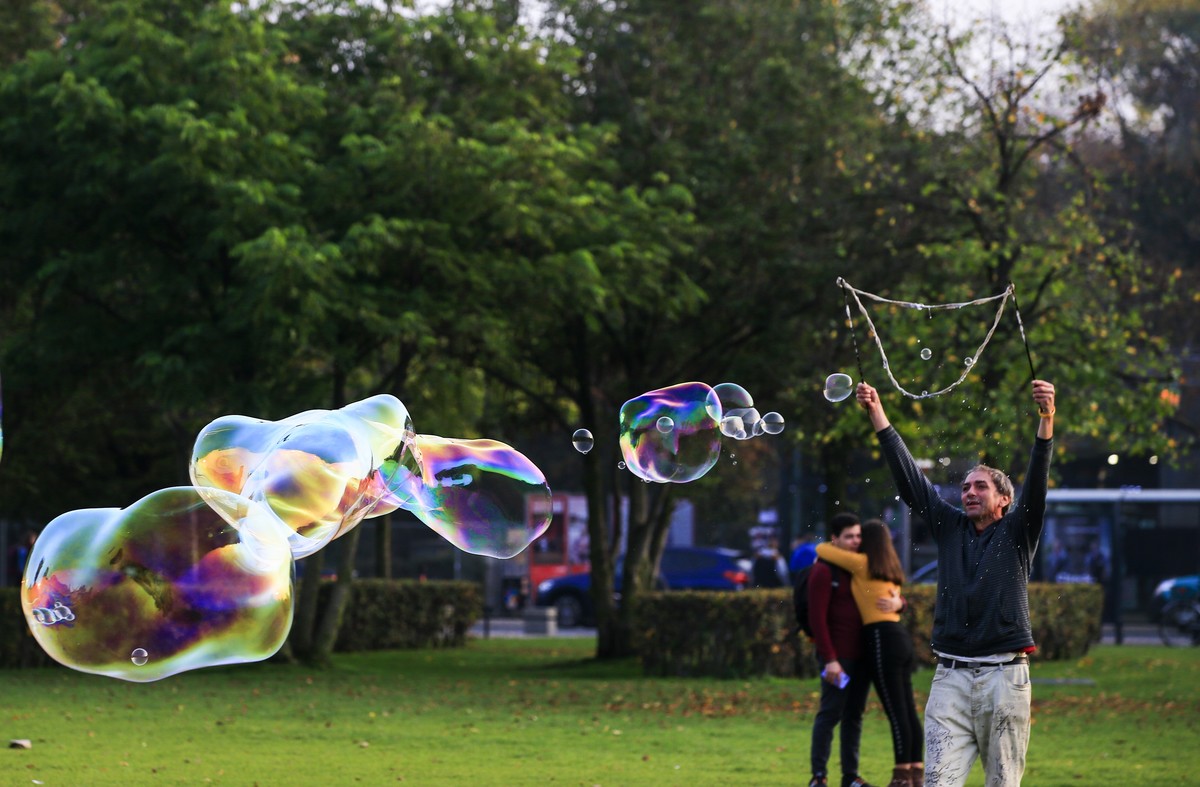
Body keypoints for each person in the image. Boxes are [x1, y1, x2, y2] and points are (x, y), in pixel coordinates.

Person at [856, 379, 1056, 787]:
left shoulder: (1018, 530)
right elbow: (911, 481)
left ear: (1004, 500)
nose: (968, 492)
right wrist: (878, 412)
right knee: (938, 782)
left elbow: (1037, 483)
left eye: (980, 486)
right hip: (950, 678)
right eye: (964, 486)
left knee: (1002, 782)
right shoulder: (949, 526)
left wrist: (1046, 419)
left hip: (1005, 678)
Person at [817, 519, 924, 787]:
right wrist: (900, 603)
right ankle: (916, 772)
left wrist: (834, 540)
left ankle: (901, 776)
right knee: (908, 710)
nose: (856, 541)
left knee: (896, 710)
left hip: (881, 638)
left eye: (860, 537)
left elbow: (821, 550)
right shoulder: (891, 568)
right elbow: (897, 599)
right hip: (899, 637)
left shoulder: (862, 564)